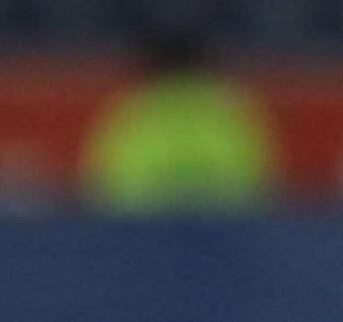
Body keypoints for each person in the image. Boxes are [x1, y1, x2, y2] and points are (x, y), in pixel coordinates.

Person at [78, 27, 280, 212]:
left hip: (143, 233)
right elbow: (264, 187)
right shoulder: (231, 107)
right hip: (223, 234)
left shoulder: (131, 109)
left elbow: (98, 188)